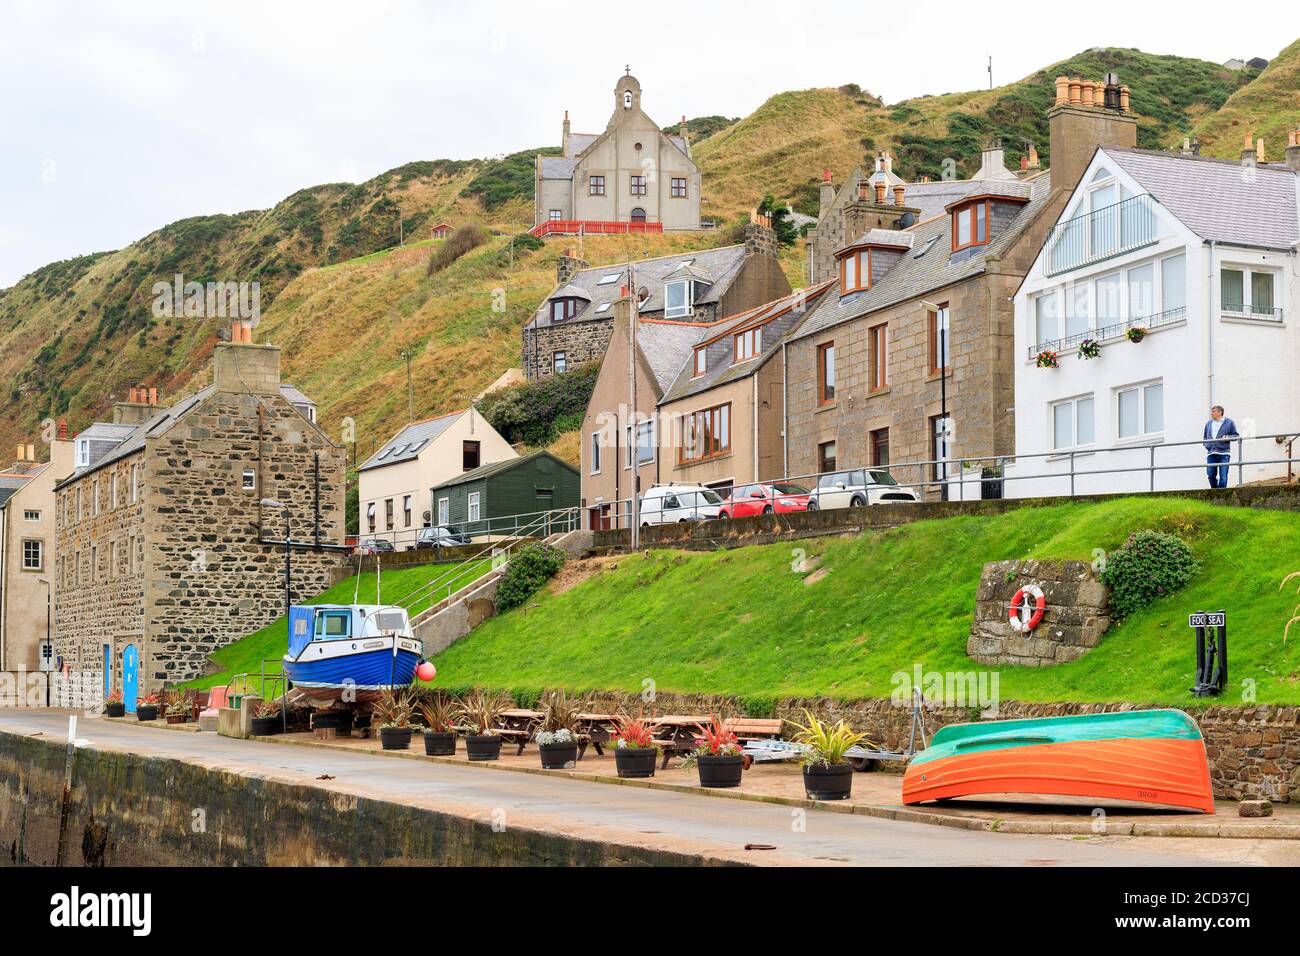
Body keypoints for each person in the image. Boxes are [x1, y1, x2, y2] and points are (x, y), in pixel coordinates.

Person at [1202, 405, 1239, 489]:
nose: (1211, 413)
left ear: (1220, 412)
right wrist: (1207, 445)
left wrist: (1228, 437)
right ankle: (1215, 492)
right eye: (1211, 411)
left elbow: (1236, 436)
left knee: (1223, 476)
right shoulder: (1208, 424)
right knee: (1210, 475)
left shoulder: (1229, 422)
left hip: (1224, 453)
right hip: (1211, 453)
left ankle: (1221, 494)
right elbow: (1204, 437)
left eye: (1213, 411)